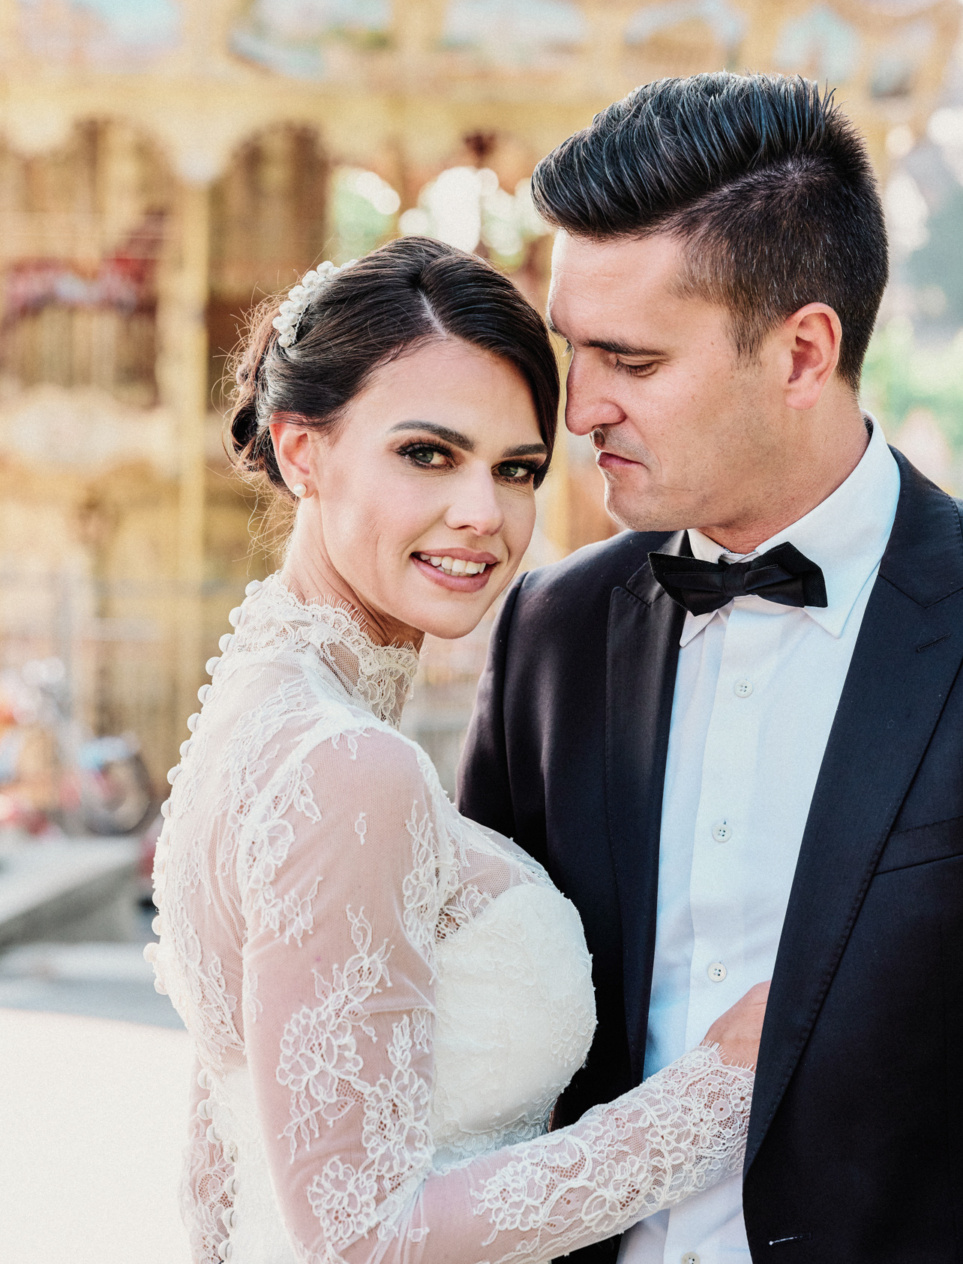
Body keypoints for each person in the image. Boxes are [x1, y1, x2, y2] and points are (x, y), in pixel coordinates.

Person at [459, 73, 963, 1263]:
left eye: (631, 360)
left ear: (804, 351)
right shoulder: (548, 634)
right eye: (573, 350)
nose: (579, 410)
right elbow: (482, 1048)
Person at [148, 237, 768, 1264]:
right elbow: (363, 1241)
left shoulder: (258, 713)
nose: (482, 514)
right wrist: (717, 1093)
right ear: (303, 449)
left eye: (516, 468)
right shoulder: (346, 769)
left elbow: (217, 1165)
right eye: (426, 454)